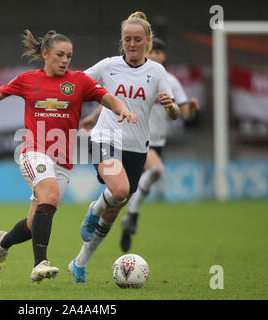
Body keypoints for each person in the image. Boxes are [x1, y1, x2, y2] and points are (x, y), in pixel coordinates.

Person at [0, 29, 137, 282]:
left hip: (64, 159)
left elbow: (107, 98)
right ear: (45, 54)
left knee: (35, 223)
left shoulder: (79, 81)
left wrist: (123, 110)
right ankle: (40, 264)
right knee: (50, 196)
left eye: (69, 56)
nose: (65, 60)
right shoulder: (27, 79)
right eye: (60, 55)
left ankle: (4, 243)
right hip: (34, 150)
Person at [68, 11, 179, 284]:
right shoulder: (108, 66)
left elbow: (175, 113)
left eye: (137, 39)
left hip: (137, 148)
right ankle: (93, 210)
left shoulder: (157, 72)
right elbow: (78, 83)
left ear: (147, 41)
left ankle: (79, 263)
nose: (132, 44)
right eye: (127, 39)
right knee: (118, 190)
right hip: (105, 138)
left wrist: (171, 107)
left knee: (114, 210)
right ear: (122, 42)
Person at [119, 37, 200, 252]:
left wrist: (191, 108)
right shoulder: (133, 76)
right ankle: (131, 216)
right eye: (150, 51)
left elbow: (185, 114)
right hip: (134, 138)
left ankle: (125, 219)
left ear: (163, 56)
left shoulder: (170, 81)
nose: (153, 55)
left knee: (129, 190)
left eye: (157, 52)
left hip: (158, 141)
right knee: (155, 170)